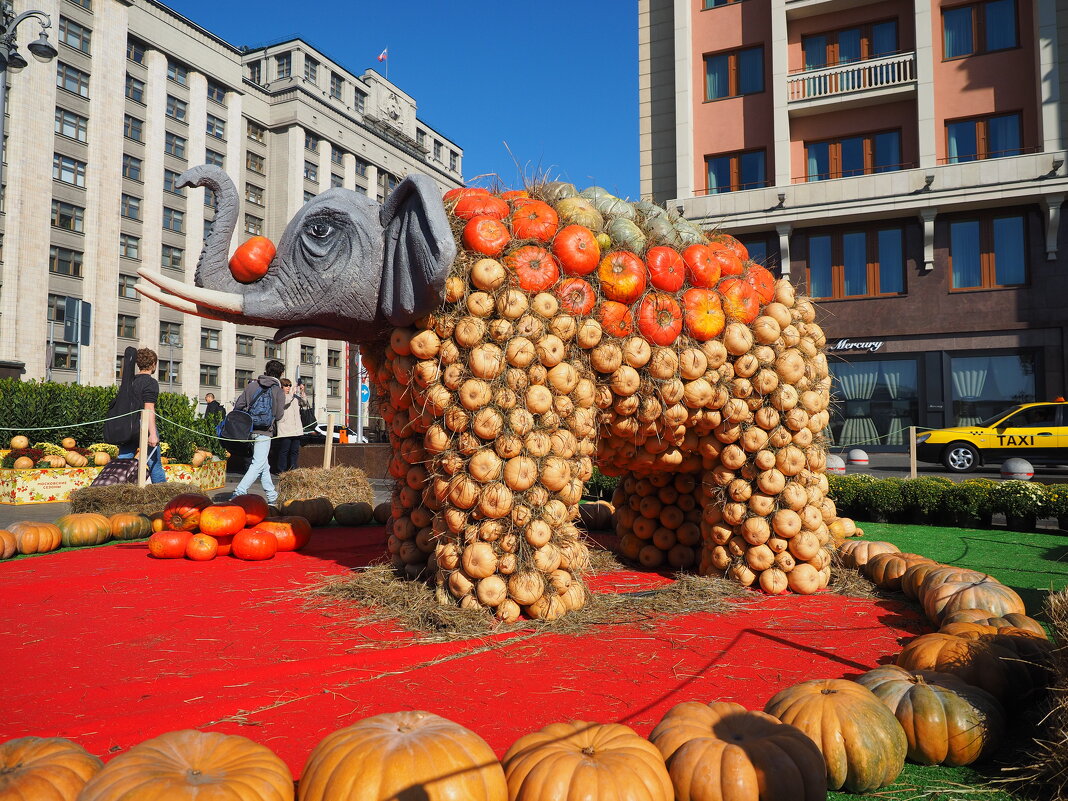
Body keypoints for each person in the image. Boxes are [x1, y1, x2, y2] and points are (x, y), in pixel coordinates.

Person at [230, 359, 286, 503]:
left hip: (249, 430)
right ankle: (239, 492)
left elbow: (239, 406)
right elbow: (279, 415)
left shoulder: (252, 386)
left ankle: (272, 496)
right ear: (280, 374)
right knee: (258, 463)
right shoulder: (278, 390)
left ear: (266, 370)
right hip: (265, 431)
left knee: (263, 464)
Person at [117, 348, 166, 484]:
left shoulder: (129, 381)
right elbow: (149, 408)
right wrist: (153, 434)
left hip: (128, 425)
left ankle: (116, 490)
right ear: (153, 364)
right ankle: (163, 496)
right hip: (143, 425)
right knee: (155, 465)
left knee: (123, 463)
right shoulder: (150, 382)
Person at [273, 378, 311, 473]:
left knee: (295, 451)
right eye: (286, 385)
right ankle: (281, 469)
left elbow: (304, 403)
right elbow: (285, 403)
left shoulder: (293, 397)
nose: (288, 387)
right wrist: (291, 394)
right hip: (285, 428)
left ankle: (293, 469)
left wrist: (302, 392)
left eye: (289, 385)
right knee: (284, 450)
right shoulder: (280, 396)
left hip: (296, 429)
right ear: (281, 386)